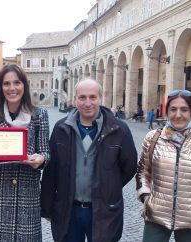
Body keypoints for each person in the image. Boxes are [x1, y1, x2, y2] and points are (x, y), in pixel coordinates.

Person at [41, 78, 137, 242]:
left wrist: (108, 186)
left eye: (92, 97)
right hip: (68, 210)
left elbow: (129, 167)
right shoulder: (61, 128)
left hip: (103, 211)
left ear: (100, 98)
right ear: (75, 99)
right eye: (82, 97)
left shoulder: (119, 129)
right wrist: (48, 208)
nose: (87, 103)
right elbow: (51, 170)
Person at [0, 64, 50, 241]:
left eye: (17, 83)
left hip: (25, 191)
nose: (12, 88)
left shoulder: (39, 115)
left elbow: (45, 151)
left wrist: (41, 158)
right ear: (0, 87)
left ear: (24, 85)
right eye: (6, 84)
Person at [136, 90, 191, 242]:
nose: (178, 115)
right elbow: (143, 171)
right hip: (156, 215)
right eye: (173, 109)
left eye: (184, 109)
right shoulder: (153, 138)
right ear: (166, 111)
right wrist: (146, 197)